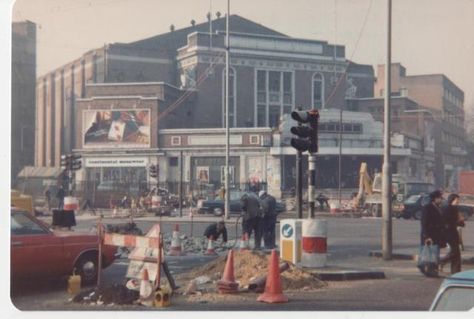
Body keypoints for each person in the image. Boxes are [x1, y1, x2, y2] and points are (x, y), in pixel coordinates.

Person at [419, 190, 445, 275]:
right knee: (430, 254)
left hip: (437, 235)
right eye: (440, 198)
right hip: (430, 235)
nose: (441, 200)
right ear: (435, 198)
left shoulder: (438, 207)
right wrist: (427, 236)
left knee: (434, 254)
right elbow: (424, 222)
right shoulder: (428, 208)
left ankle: (431, 270)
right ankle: (429, 270)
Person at [440, 194, 464, 274]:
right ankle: (441, 262)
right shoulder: (448, 208)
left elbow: (459, 222)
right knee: (455, 252)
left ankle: (455, 271)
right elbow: (448, 221)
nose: (458, 201)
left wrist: (460, 221)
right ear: (452, 200)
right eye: (457, 200)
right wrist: (459, 221)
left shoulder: (454, 209)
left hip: (452, 232)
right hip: (449, 232)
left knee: (456, 252)